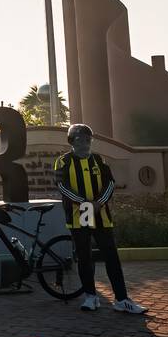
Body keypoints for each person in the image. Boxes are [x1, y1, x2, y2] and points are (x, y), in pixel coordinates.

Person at [54, 124, 146, 314]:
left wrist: (99, 202)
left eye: (88, 139)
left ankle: (121, 299)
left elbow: (110, 183)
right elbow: (62, 186)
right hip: (81, 215)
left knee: (110, 255)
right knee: (85, 256)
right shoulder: (64, 161)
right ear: (71, 141)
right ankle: (90, 296)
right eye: (81, 139)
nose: (85, 143)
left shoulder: (98, 160)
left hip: (100, 213)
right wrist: (84, 203)